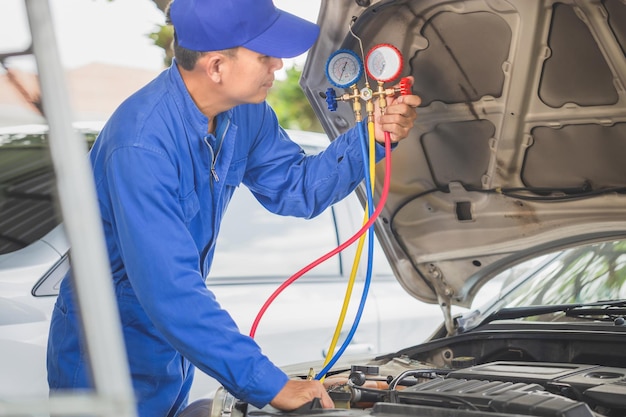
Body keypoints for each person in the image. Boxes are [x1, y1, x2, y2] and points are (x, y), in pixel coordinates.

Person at [46, 0, 421, 416]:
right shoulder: (141, 144)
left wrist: (371, 134)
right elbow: (169, 288)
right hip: (106, 357)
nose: (278, 64)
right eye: (264, 55)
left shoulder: (246, 114)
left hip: (172, 348)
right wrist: (272, 385)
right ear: (216, 67)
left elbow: (297, 188)